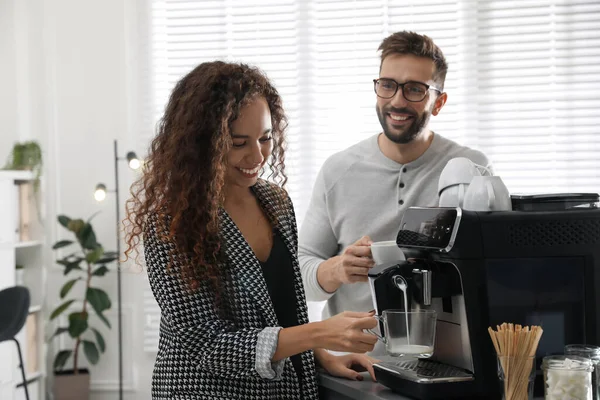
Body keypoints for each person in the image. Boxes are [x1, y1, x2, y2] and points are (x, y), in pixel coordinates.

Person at [124, 61, 378, 400]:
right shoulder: (171, 224)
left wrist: (320, 357)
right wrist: (319, 334)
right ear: (202, 145)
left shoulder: (275, 202)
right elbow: (208, 345)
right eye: (238, 142)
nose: (257, 155)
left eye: (265, 137)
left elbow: (282, 311)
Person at [298, 31, 491, 336]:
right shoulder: (337, 170)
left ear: (438, 102)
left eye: (414, 89)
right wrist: (337, 269)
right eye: (387, 85)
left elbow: (490, 270)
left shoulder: (470, 169)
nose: (397, 101)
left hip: (442, 363)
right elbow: (301, 272)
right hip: (350, 365)